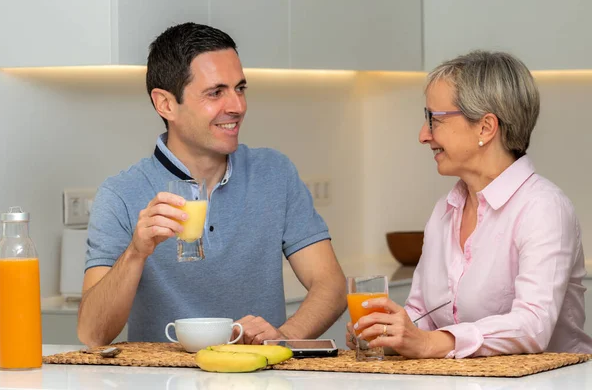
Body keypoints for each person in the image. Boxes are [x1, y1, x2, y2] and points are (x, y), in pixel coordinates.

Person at [77, 22, 347, 347]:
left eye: (240, 88)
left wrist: (284, 337)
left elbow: (331, 286)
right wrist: (136, 252)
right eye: (216, 92)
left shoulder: (275, 173)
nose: (237, 106)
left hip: (259, 378)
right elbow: (93, 335)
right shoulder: (120, 195)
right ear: (165, 104)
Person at [346, 50, 592, 358]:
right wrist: (389, 332)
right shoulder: (445, 210)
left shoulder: (544, 208)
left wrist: (429, 343)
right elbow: (422, 311)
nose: (424, 135)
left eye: (434, 119)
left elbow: (533, 327)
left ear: (486, 128)